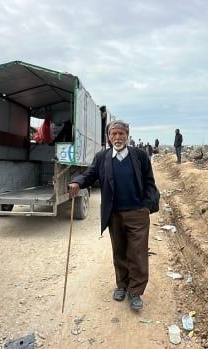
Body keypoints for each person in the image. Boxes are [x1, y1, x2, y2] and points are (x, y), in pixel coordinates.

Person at [68, 120, 160, 311]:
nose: (117, 137)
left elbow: (150, 183)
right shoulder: (102, 157)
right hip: (114, 214)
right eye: (113, 134)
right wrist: (77, 182)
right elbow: (90, 175)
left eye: (121, 134)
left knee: (138, 253)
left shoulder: (140, 156)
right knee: (119, 252)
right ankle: (122, 285)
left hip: (137, 213)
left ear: (127, 135)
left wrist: (146, 207)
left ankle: (135, 292)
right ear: (108, 137)